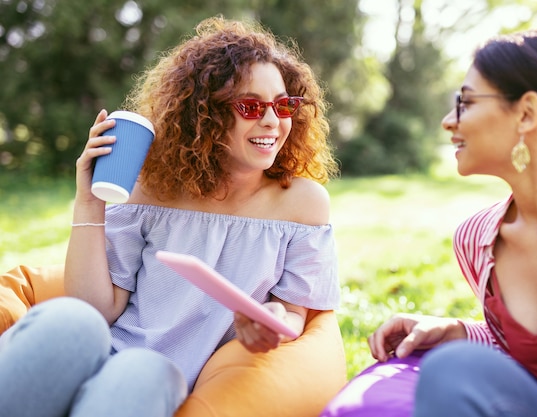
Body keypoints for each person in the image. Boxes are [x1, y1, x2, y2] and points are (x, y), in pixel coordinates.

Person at [0, 15, 340, 417]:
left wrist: (272, 319)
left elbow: (297, 313)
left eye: (283, 105)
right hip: (105, 355)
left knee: (144, 369)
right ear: (205, 115)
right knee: (69, 320)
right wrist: (90, 201)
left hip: (161, 382)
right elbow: (96, 309)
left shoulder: (303, 203)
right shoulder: (153, 187)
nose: (271, 120)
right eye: (250, 106)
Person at [321, 29, 537, 417]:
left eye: (465, 103)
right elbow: (529, 360)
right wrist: (459, 331)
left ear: (527, 113)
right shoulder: (478, 240)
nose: (449, 121)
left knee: (454, 369)